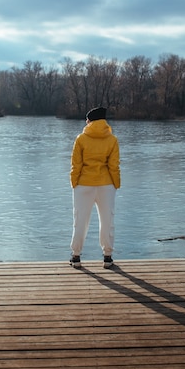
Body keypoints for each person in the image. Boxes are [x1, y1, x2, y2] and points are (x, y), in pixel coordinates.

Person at [69, 106, 120, 269]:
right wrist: (116, 184)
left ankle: (76, 257)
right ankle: (107, 257)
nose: (86, 121)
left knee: (80, 220)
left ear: (90, 121)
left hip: (84, 184)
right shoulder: (112, 140)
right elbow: (114, 165)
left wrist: (74, 183)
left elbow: (76, 165)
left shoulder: (81, 139)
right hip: (106, 184)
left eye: (87, 119)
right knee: (107, 220)